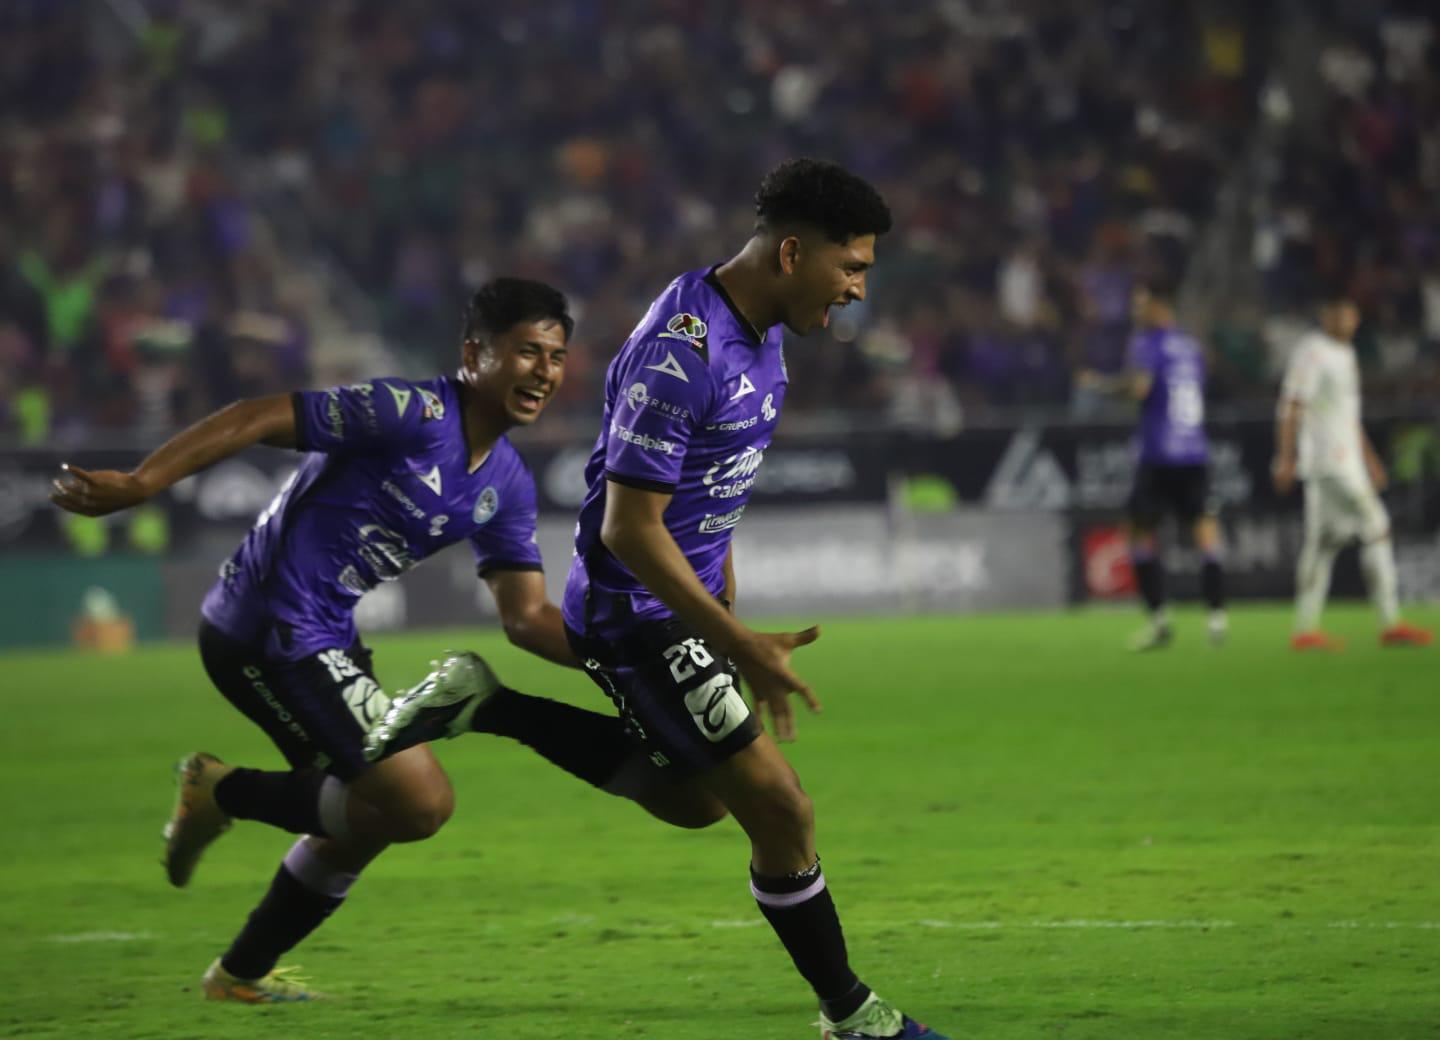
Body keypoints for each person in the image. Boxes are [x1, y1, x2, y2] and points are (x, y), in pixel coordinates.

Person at [367, 159, 951, 1040]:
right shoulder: (683, 349)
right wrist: (739, 641)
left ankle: (489, 705)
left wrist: (730, 622)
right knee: (781, 809)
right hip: (635, 612)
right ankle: (853, 1015)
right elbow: (629, 530)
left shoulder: (764, 332)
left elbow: (713, 503)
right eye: (853, 267)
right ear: (794, 253)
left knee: (695, 800)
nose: (860, 289)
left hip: (683, 610)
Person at [50, 279, 686, 1002]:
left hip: (325, 641)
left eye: (556, 356)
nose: (544, 370)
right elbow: (258, 415)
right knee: (419, 804)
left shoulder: (505, 482)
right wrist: (142, 481)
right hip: (266, 627)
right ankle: (221, 789)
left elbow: (527, 618)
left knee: (371, 818)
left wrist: (639, 657)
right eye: (526, 352)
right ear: (474, 354)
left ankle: (238, 975)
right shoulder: (407, 412)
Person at [1273, 294, 1434, 650]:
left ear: (1356, 318)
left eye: (1347, 314)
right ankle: (1390, 621)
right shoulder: (1312, 351)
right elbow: (1292, 404)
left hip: (1345, 462)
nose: (1341, 321)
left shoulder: (1346, 354)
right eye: (1334, 314)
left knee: (1322, 545)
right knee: (1377, 525)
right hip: (1329, 463)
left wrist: (1371, 459)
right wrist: (1284, 458)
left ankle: (1305, 629)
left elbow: (1348, 416)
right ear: (1324, 316)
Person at [1082, 282, 1228, 650]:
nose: (1136, 311)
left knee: (1138, 534)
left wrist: (1098, 385)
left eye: (1142, 304)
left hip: (1159, 454)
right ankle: (1216, 621)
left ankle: (1160, 622)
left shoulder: (1146, 343)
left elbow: (1139, 389)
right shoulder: (1192, 347)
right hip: (1194, 451)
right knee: (1206, 535)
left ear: (1161, 307)